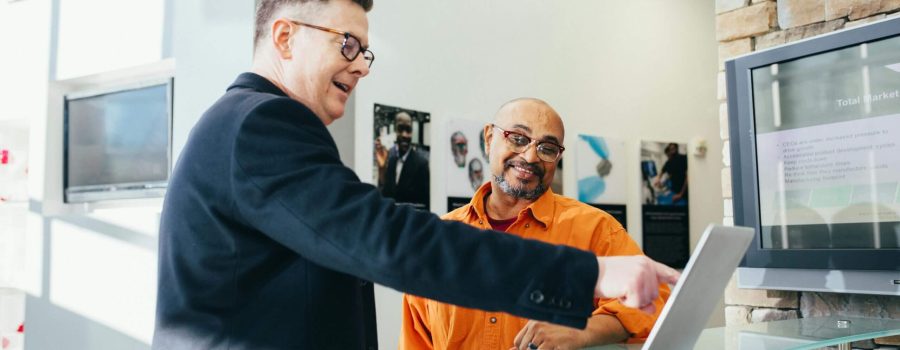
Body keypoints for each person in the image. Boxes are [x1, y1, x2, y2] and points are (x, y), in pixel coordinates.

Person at [152, 1, 679, 349]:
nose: (361, 65)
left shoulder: (246, 125)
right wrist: (586, 275)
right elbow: (386, 241)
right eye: (347, 43)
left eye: (365, 51)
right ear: (285, 37)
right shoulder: (261, 124)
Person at [400, 99, 671, 350]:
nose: (530, 157)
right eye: (518, 138)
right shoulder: (435, 242)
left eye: (547, 148)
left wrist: (583, 329)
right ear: (489, 138)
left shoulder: (595, 229)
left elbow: (655, 303)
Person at [376, 111, 430, 209]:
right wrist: (382, 169)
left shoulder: (421, 164)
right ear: (395, 131)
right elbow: (385, 197)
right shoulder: (391, 161)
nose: (404, 135)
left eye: (408, 130)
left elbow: (425, 205)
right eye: (400, 129)